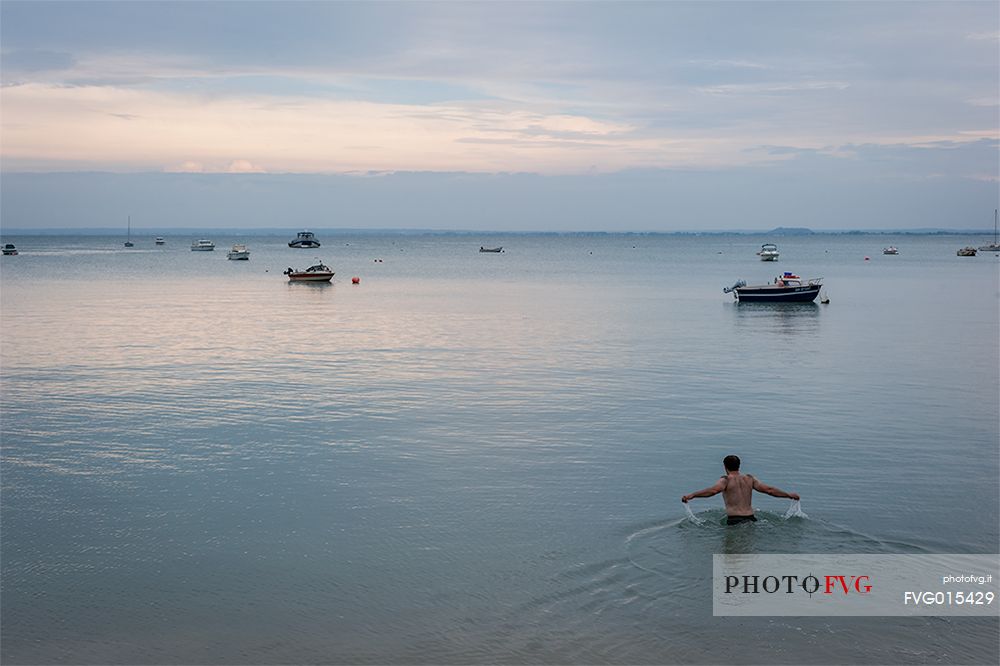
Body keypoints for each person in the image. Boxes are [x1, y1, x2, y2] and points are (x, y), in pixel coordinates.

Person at [681, 455, 800, 525]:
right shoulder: (750, 478)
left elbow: (713, 491)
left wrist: (692, 495)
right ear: (739, 466)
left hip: (734, 520)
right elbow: (769, 490)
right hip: (752, 519)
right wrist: (789, 495)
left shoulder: (725, 480)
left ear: (725, 466)